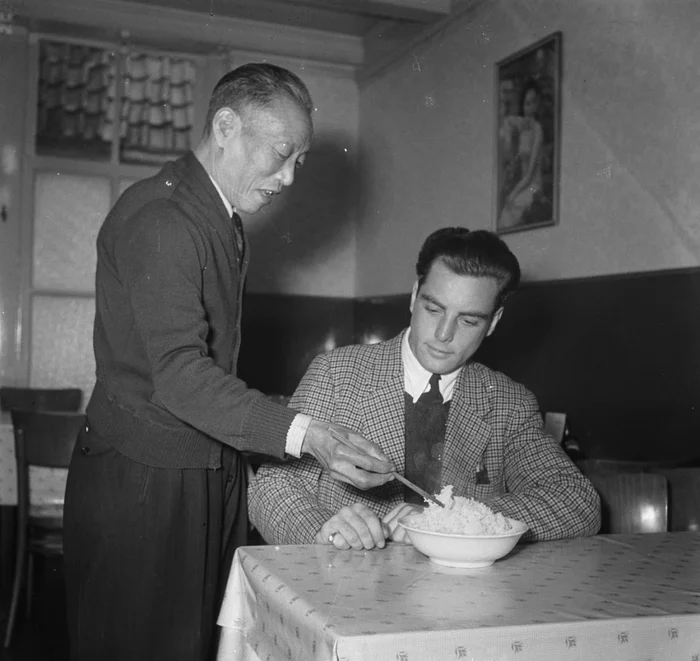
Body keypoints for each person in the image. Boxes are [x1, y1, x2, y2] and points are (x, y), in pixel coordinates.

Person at [63, 63, 394, 661]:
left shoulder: (215, 217)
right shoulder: (164, 221)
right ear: (225, 126)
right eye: (282, 154)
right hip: (147, 477)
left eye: (300, 161)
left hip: (199, 466)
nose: (290, 178)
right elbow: (183, 376)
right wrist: (308, 433)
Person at [249, 228, 601, 550]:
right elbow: (270, 488)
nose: (444, 334)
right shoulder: (337, 374)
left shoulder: (508, 403)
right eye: (434, 308)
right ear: (415, 296)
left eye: (468, 320)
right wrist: (323, 529)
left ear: (493, 322)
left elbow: (576, 501)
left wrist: (450, 519)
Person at [497, 79, 544, 230]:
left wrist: (514, 192)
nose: (528, 109)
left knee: (512, 207)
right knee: (504, 215)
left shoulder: (538, 130)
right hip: (521, 185)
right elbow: (508, 121)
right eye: (525, 104)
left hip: (532, 185)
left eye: (532, 103)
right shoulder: (523, 128)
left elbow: (530, 174)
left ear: (537, 105)